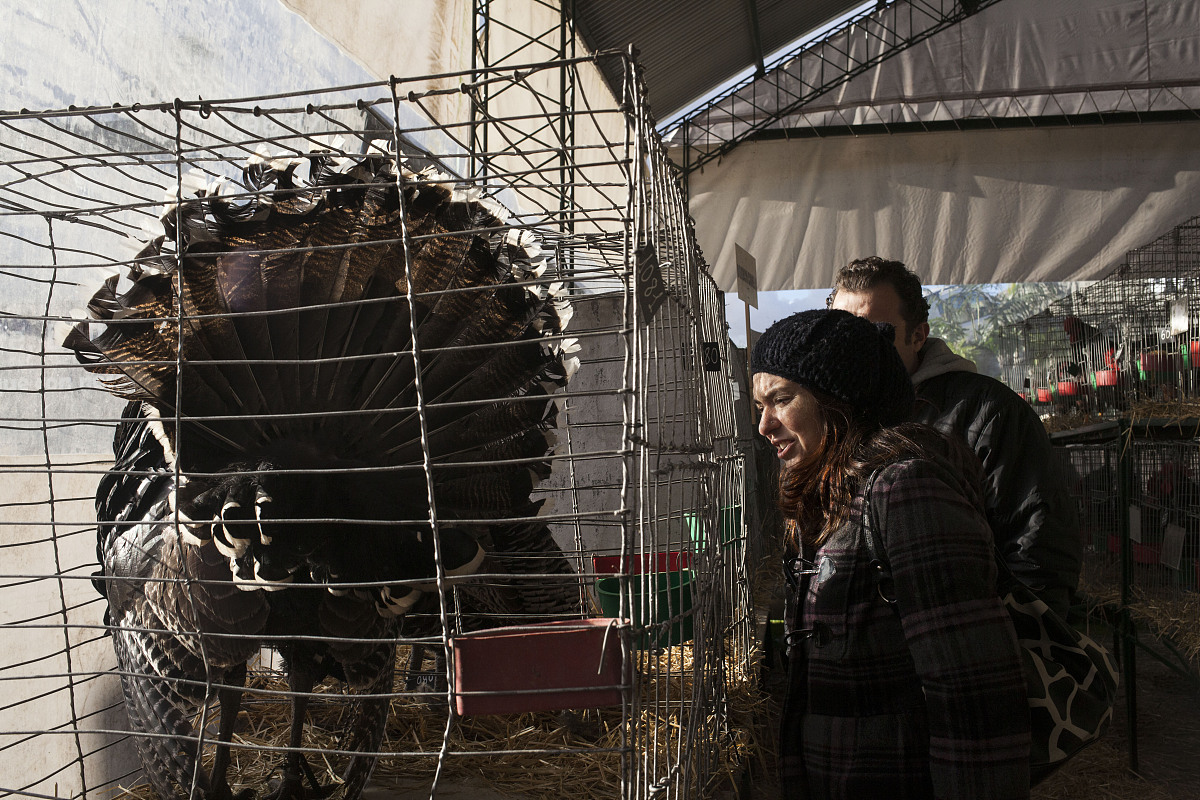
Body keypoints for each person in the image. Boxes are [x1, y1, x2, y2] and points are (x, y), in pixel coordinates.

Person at [753, 309, 1030, 800]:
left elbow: (971, 689)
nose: (764, 424)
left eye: (781, 399)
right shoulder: (833, 497)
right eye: (759, 404)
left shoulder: (904, 490)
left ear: (839, 401)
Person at [827, 257, 1081, 618]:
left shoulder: (989, 413)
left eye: (876, 334)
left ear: (918, 335)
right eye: (843, 334)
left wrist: (1009, 641)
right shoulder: (834, 416)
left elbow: (1040, 541)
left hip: (963, 639)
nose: (855, 350)